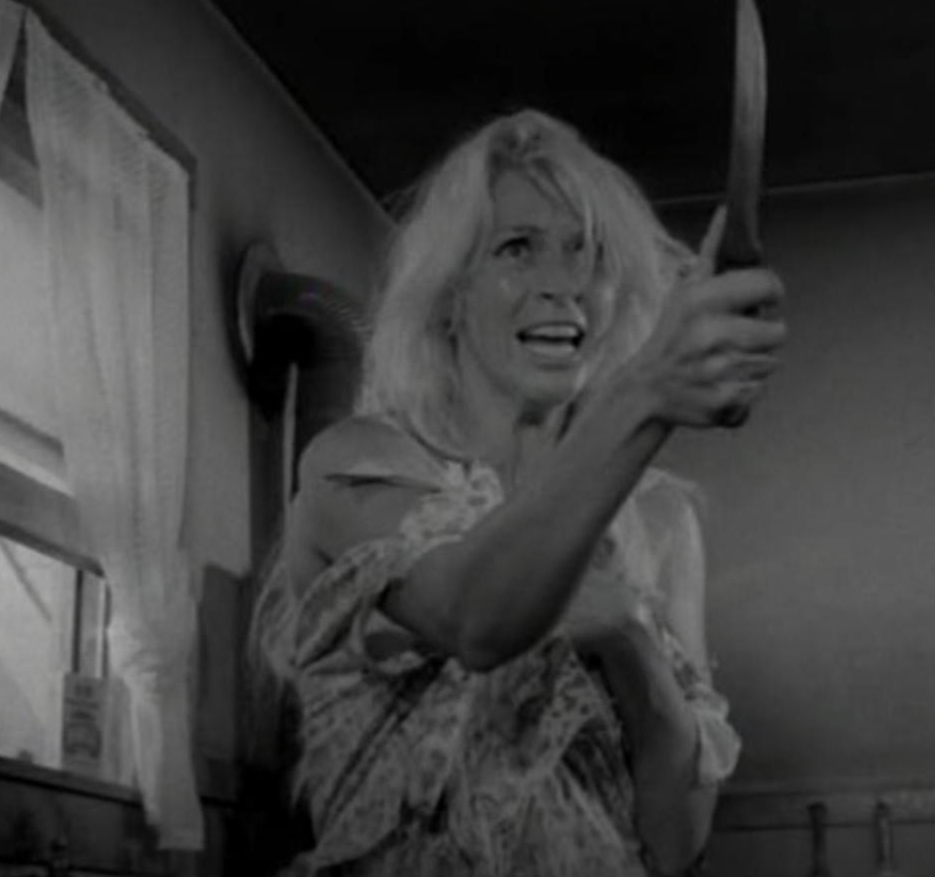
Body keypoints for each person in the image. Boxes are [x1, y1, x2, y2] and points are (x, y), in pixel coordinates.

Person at [253, 109, 786, 876]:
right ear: (450, 295)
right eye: (517, 248)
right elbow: (476, 619)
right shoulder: (357, 463)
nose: (563, 285)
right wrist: (648, 392)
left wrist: (630, 640)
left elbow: (675, 844)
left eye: (588, 253)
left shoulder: (660, 521)